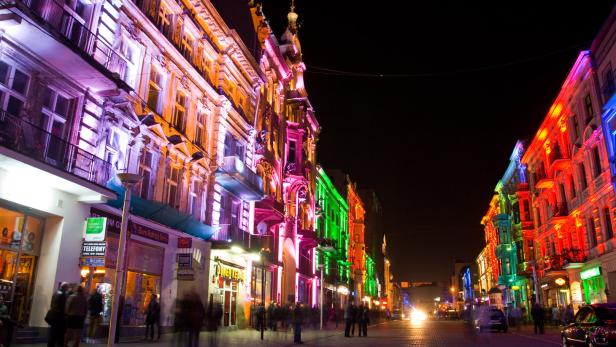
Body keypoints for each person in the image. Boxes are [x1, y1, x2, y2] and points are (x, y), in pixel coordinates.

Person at [47, 282, 69, 347]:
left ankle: (50, 345)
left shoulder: (55, 293)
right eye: (67, 287)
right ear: (65, 287)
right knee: (60, 334)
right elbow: (63, 307)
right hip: (59, 317)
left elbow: (52, 304)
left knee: (52, 333)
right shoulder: (63, 295)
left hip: (53, 315)